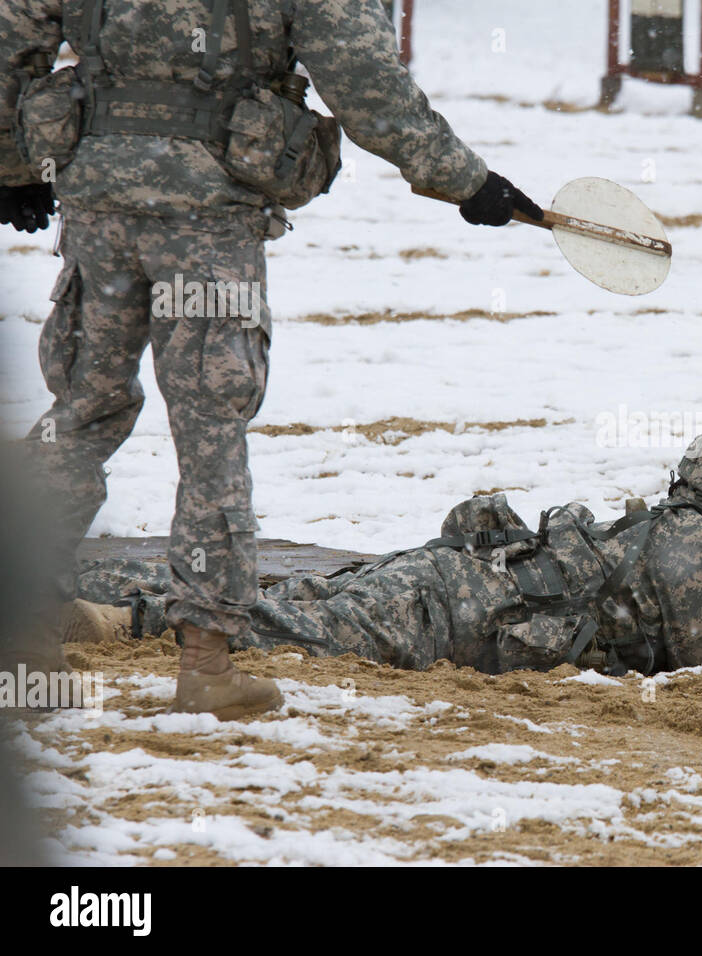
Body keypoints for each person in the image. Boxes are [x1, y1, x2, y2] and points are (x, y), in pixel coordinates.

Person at [1, 0, 544, 720]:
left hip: (99, 198)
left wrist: (14, 165)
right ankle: (205, 664)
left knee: (81, 412)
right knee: (210, 432)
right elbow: (363, 80)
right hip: (209, 212)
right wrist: (465, 180)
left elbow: (13, 35)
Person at [65, 419, 702, 681]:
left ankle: (78, 578)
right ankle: (119, 621)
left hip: (450, 577)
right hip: (451, 617)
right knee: (294, 631)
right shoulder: (698, 550)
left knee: (299, 601)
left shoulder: (664, 526)